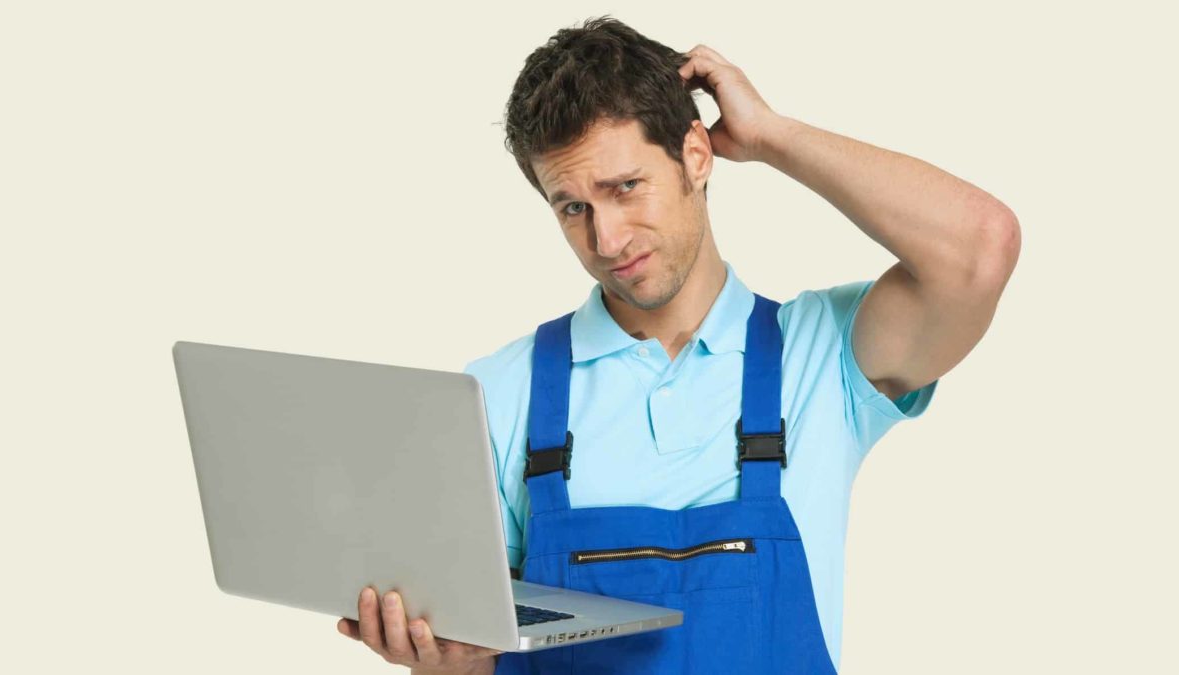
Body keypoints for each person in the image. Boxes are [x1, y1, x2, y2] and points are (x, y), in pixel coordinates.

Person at [335, 15, 1020, 675]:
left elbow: (980, 248)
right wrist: (441, 664)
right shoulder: (495, 396)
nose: (607, 240)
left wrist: (773, 136)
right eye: (572, 207)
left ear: (696, 155)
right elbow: (473, 662)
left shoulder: (821, 359)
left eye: (626, 187)